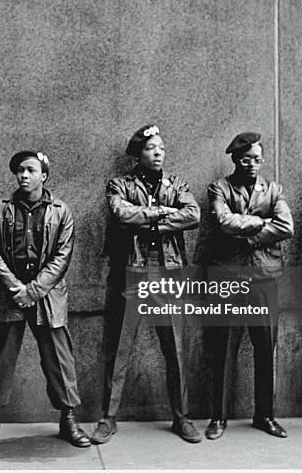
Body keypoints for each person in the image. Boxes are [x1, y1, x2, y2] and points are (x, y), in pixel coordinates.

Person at [92, 124, 202, 444]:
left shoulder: (176, 183)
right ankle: (108, 418)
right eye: (151, 148)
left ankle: (182, 417)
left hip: (168, 271)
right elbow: (122, 213)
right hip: (133, 271)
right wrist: (164, 213)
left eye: (162, 148)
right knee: (120, 348)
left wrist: (150, 216)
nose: (158, 154)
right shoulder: (120, 184)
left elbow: (192, 215)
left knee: (175, 349)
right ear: (138, 154)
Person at [0, 150, 91, 450]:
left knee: (59, 358)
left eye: (29, 170)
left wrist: (34, 290)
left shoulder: (60, 211)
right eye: (19, 171)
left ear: (44, 175)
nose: (23, 176)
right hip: (9, 294)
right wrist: (17, 287)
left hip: (47, 296)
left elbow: (62, 256)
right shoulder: (0, 210)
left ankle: (68, 419)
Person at [205, 132, 293, 440]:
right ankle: (218, 417)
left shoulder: (274, 190)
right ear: (234, 159)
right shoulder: (220, 187)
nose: (252, 164)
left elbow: (286, 226)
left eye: (257, 159)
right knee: (223, 348)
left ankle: (265, 416)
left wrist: (248, 230)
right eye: (245, 159)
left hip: (265, 279)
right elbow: (223, 222)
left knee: (265, 348)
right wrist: (261, 223)